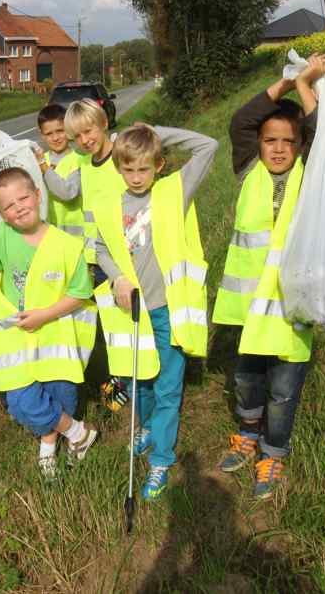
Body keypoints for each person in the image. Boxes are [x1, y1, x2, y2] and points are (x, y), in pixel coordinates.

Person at [213, 53, 325, 500]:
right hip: (250, 310)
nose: (279, 148)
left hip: (292, 308)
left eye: (288, 140)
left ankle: (273, 451)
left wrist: (308, 85)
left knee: (283, 391)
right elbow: (242, 122)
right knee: (247, 379)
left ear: (300, 145)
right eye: (270, 140)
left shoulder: (314, 175)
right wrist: (284, 85)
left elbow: (324, 132)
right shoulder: (249, 169)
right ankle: (247, 434)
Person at [93, 123, 218, 499]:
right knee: (138, 381)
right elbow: (100, 247)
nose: (135, 177)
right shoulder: (109, 205)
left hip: (168, 312)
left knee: (167, 387)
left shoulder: (174, 191)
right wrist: (116, 278)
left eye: (144, 169)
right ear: (118, 168)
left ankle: (161, 459)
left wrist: (152, 129)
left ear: (160, 165)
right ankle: (145, 427)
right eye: (128, 169)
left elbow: (208, 144)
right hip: (133, 313)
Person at [0, 167, 99, 480]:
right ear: (1, 214)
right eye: (8, 205)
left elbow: (80, 294)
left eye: (23, 198)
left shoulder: (65, 245)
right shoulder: (0, 237)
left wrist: (44, 315)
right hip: (16, 337)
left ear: (38, 196)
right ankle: (78, 433)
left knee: (60, 395)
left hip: (53, 333)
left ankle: (49, 445)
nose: (18, 207)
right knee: (21, 400)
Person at [42, 99, 132, 413]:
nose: (84, 140)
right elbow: (66, 192)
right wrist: (43, 169)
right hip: (96, 255)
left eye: (88, 131)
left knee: (126, 318)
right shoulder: (82, 162)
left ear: (104, 123)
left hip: (126, 250)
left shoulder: (123, 150)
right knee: (106, 320)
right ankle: (114, 380)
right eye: (76, 137)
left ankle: (129, 379)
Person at [33, 103, 86, 238]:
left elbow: (68, 193)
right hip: (48, 234)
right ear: (42, 135)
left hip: (74, 237)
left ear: (68, 129)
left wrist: (44, 168)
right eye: (49, 134)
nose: (55, 138)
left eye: (60, 131)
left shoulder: (78, 161)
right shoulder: (39, 161)